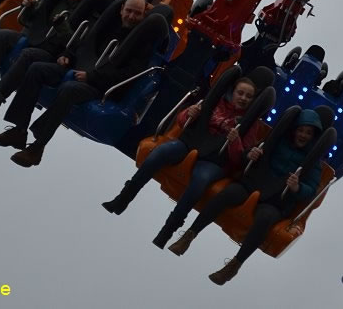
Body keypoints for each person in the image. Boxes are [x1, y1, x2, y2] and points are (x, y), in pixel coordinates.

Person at [0, 0, 149, 165]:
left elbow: (128, 74)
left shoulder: (141, 44)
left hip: (98, 86)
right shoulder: (107, 25)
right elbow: (84, 45)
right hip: (75, 69)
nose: (131, 16)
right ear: (121, 9)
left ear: (144, 15)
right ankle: (18, 130)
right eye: (129, 11)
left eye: (137, 13)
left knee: (70, 89)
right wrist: (66, 55)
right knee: (37, 69)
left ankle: (37, 147)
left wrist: (92, 77)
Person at [167, 108, 325, 285]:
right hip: (255, 183)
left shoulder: (314, 163)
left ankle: (234, 265)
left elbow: (311, 190)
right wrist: (251, 154)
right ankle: (189, 235)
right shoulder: (277, 140)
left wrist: (297, 187)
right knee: (227, 194)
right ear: (294, 130)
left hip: (276, 198)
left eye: (308, 133)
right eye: (301, 130)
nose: (303, 135)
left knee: (265, 218)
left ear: (314, 136)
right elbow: (248, 154)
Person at [101, 77, 260, 247]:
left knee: (200, 180)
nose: (243, 98)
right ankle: (123, 199)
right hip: (191, 143)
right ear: (232, 92)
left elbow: (239, 160)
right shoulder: (214, 102)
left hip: (215, 159)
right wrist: (189, 113)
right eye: (240, 93)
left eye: (248, 96)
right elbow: (182, 121)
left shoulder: (251, 123)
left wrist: (235, 141)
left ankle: (168, 230)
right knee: (159, 153)